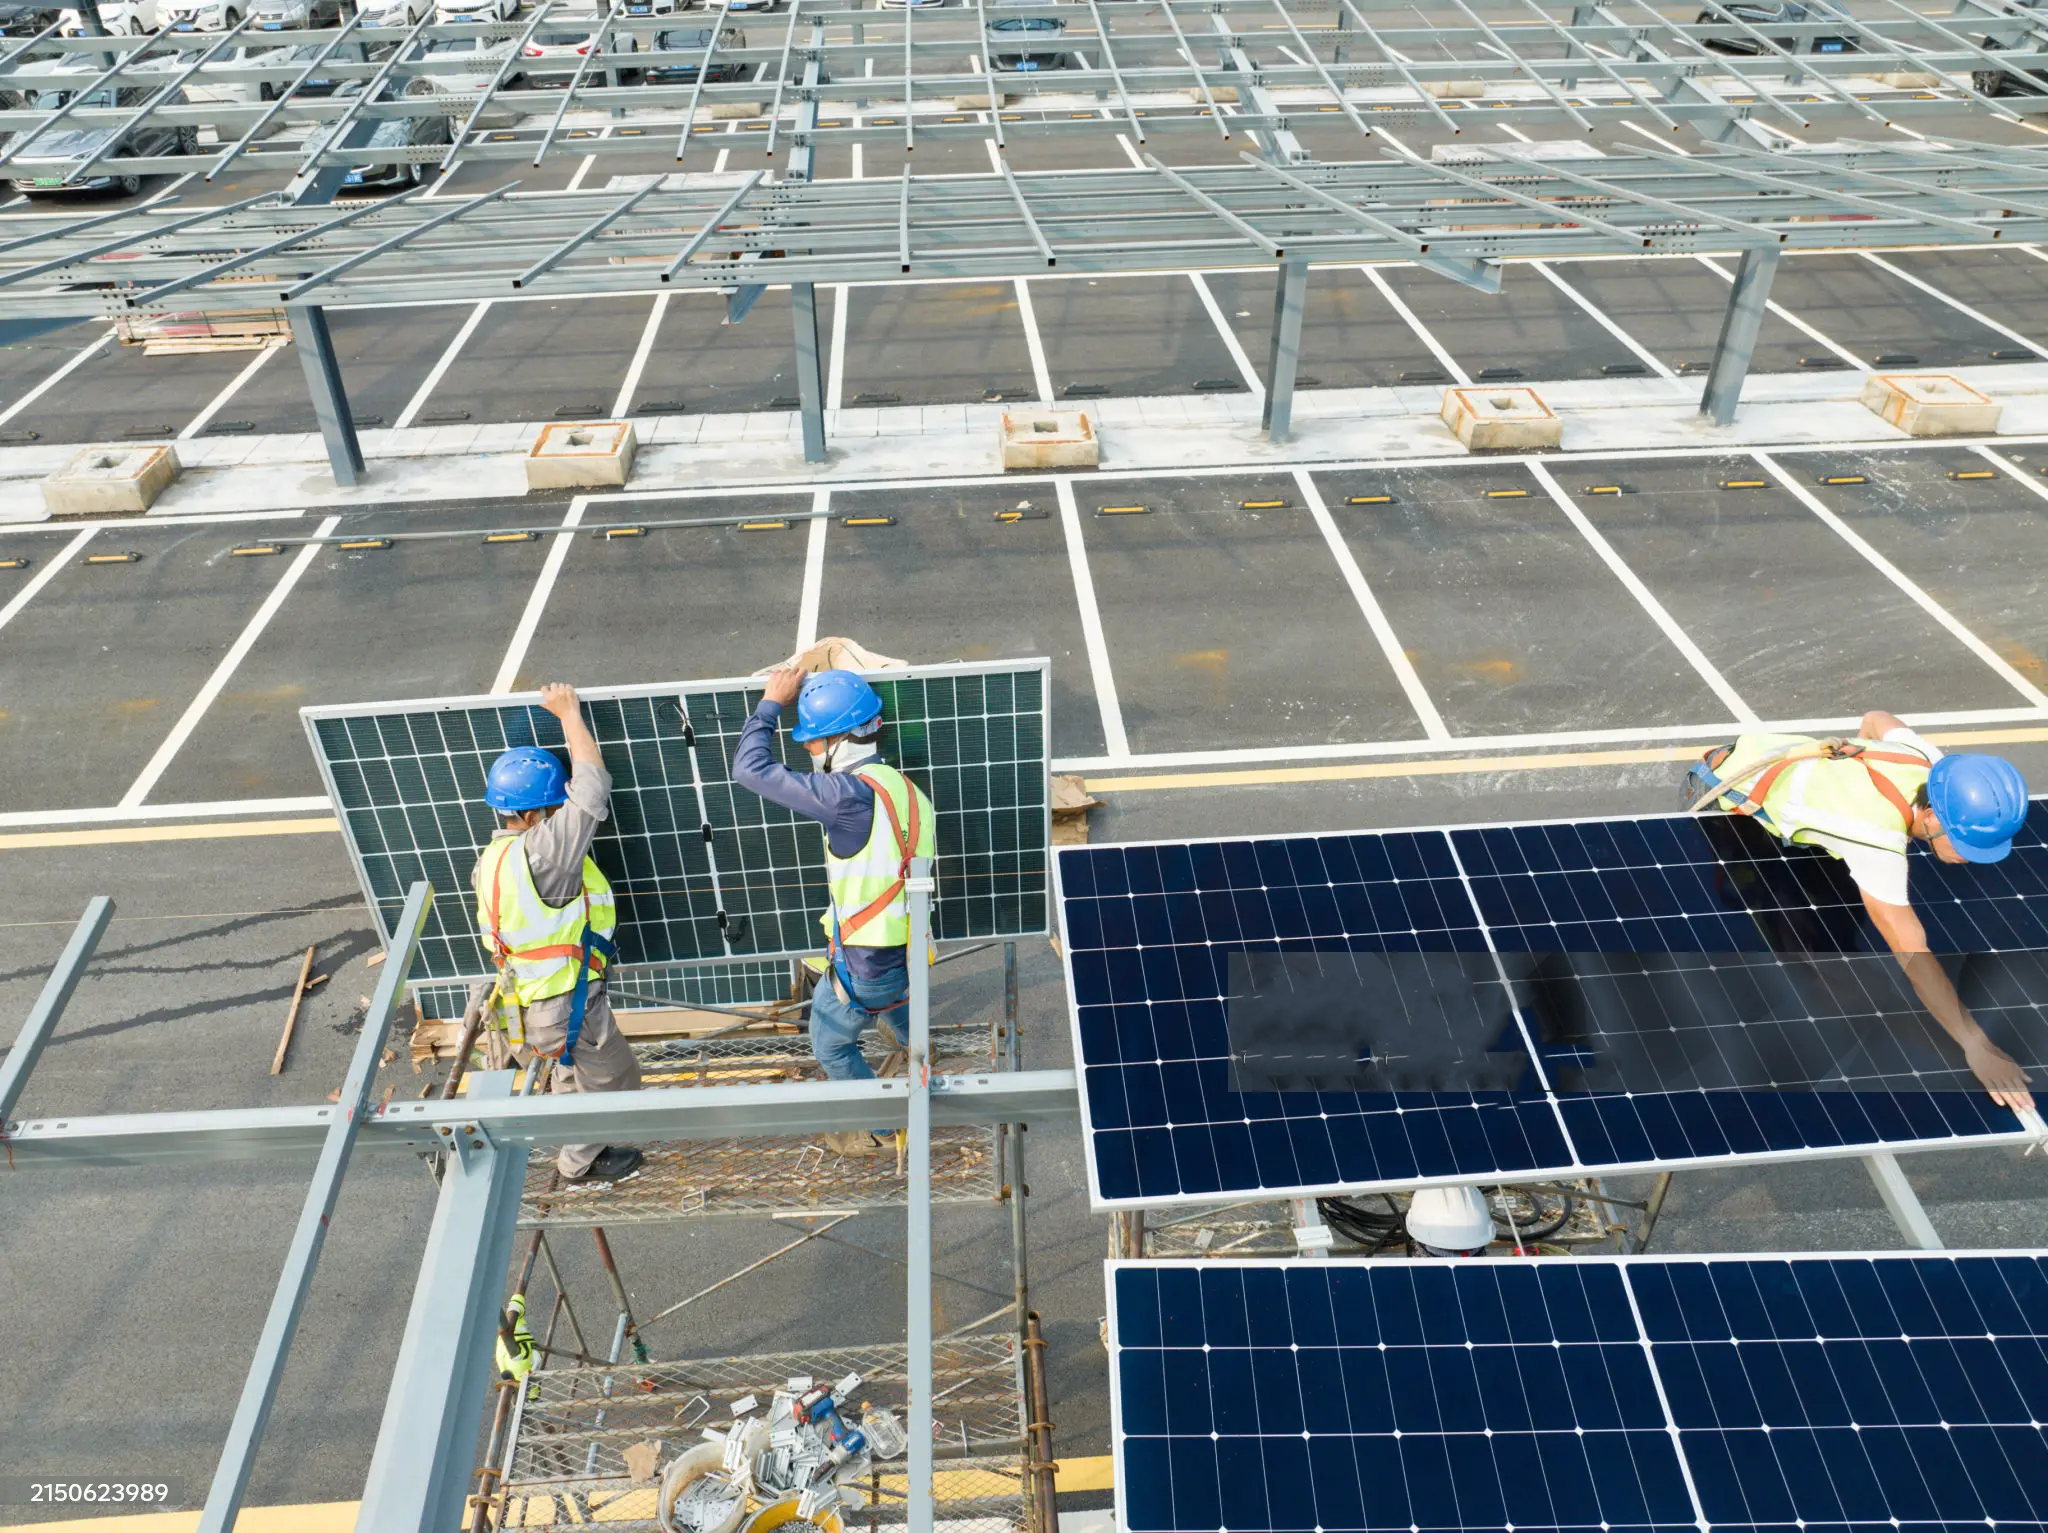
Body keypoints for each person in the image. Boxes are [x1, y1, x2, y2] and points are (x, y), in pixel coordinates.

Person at [1687, 709, 2034, 1111]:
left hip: (1766, 765)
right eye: (1965, 844)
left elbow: (1875, 719)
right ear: (1933, 813)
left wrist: (1838, 783)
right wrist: (1976, 1044)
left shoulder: (1931, 765)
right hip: (1726, 803)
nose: (1972, 859)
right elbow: (1911, 951)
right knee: (1808, 954)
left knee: (1845, 911)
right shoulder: (1872, 836)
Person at [733, 666, 936, 1155]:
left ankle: (886, 1128)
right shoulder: (905, 790)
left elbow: (749, 770)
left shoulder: (848, 796)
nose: (806, 751)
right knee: (897, 998)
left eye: (811, 742)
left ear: (838, 739)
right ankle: (924, 1049)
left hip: (864, 964)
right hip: (909, 948)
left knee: (831, 1045)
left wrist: (770, 705)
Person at [469, 683, 645, 1184]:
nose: (556, 814)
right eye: (551, 806)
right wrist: (569, 714)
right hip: (566, 1004)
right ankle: (579, 1163)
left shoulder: (491, 860)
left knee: (572, 1076)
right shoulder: (543, 853)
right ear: (530, 816)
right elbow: (591, 787)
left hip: (529, 1003)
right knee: (616, 1083)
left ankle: (581, 1143)